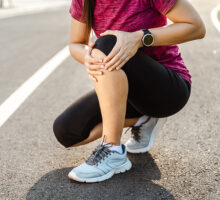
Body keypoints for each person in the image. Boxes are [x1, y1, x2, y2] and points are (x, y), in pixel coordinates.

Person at [53, 0, 205, 183]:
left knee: (108, 42)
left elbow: (196, 27)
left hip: (168, 89)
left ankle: (112, 149)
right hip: (124, 91)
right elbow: (76, 43)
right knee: (66, 131)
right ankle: (145, 118)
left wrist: (139, 38)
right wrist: (87, 56)